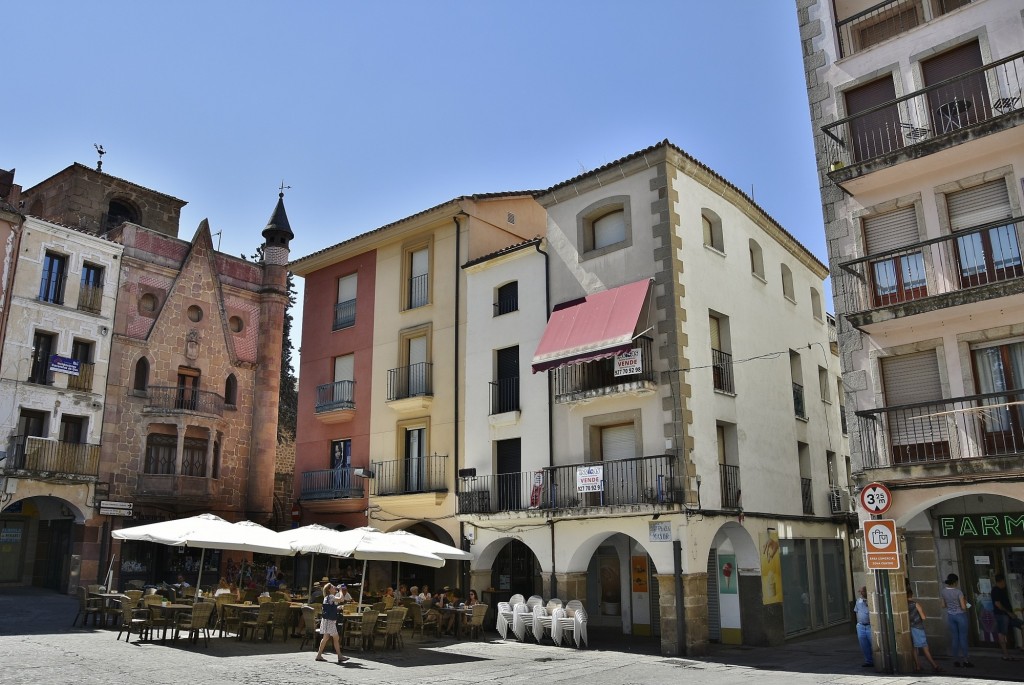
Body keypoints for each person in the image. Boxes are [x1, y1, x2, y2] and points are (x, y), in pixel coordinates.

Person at [941, 573, 972, 667]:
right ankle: (966, 660)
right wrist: (966, 603)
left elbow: (943, 605)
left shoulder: (943, 591)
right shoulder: (959, 592)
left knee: (955, 638)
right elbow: (963, 607)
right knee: (963, 637)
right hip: (960, 615)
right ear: (955, 582)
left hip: (951, 615)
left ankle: (956, 660)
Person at [907, 587, 941, 672]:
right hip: (918, 627)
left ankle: (918, 666)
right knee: (925, 647)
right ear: (912, 595)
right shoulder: (915, 604)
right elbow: (923, 617)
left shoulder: (904, 605)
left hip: (909, 628)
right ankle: (935, 666)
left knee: (914, 648)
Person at [992, 574, 1024, 660]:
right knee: (1002, 634)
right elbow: (997, 604)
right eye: (1004, 581)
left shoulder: (1001, 590)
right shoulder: (996, 590)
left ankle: (1022, 647)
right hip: (1002, 615)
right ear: (1001, 581)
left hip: (1007, 615)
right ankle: (1005, 654)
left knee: (1022, 625)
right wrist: (1009, 613)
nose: (1005, 583)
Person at [315, 584, 349, 664]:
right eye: (333, 587)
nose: (334, 588)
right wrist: (341, 590)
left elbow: (330, 608)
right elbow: (341, 599)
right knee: (336, 638)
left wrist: (337, 608)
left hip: (326, 620)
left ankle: (319, 655)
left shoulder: (327, 597)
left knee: (325, 638)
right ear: (329, 590)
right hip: (330, 621)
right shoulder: (331, 596)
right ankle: (340, 656)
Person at [855, 586, 874, 668]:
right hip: (861, 626)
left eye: (862, 591)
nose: (861, 593)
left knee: (873, 644)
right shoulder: (858, 601)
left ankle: (878, 660)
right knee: (864, 645)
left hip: (870, 626)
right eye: (860, 592)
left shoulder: (871, 600)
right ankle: (868, 661)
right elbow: (856, 611)